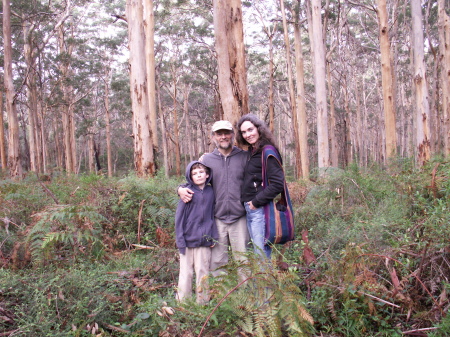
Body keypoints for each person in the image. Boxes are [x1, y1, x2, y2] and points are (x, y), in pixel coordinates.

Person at [178, 120, 249, 279]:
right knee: (217, 261)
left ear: (232, 135)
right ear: (213, 137)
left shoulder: (244, 157)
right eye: (219, 134)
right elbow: (193, 180)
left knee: (244, 260)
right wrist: (180, 189)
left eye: (226, 133)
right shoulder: (206, 160)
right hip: (216, 219)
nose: (223, 137)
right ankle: (220, 296)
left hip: (240, 217)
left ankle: (247, 296)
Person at [236, 114, 285, 259]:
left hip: (260, 210)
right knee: (258, 253)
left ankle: (265, 282)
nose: (247, 135)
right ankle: (262, 282)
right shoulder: (253, 151)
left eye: (250, 130)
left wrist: (256, 202)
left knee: (261, 255)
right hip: (251, 209)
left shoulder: (267, 150)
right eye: (243, 132)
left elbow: (278, 183)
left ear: (259, 129)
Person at [175, 161, 217, 304]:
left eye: (201, 172)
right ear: (190, 176)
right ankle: (183, 303)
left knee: (203, 272)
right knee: (186, 273)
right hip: (187, 241)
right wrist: (180, 240)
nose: (198, 175)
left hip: (204, 241)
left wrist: (213, 237)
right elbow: (179, 219)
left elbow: (213, 216)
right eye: (194, 173)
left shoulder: (212, 192)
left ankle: (203, 302)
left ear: (207, 175)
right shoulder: (187, 192)